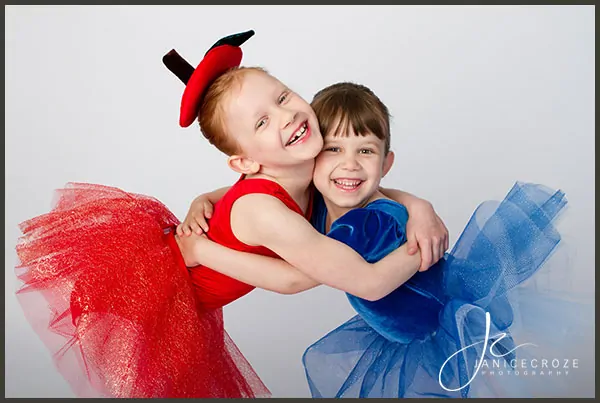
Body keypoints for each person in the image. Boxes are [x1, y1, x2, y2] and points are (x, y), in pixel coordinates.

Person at [14, 30, 446, 398]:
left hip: (188, 267)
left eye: (282, 97)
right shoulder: (264, 210)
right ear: (246, 163)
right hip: (158, 296)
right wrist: (420, 247)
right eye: (261, 123)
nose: (286, 116)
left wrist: (420, 209)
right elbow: (322, 280)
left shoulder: (302, 165)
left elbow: (364, 186)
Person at [176, 81, 584, 398]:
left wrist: (419, 227)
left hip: (439, 325)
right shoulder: (311, 196)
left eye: (366, 152)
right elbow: (270, 224)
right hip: (407, 333)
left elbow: (353, 269)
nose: (348, 164)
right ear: (310, 157)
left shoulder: (367, 219)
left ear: (386, 162)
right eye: (333, 149)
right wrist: (201, 212)